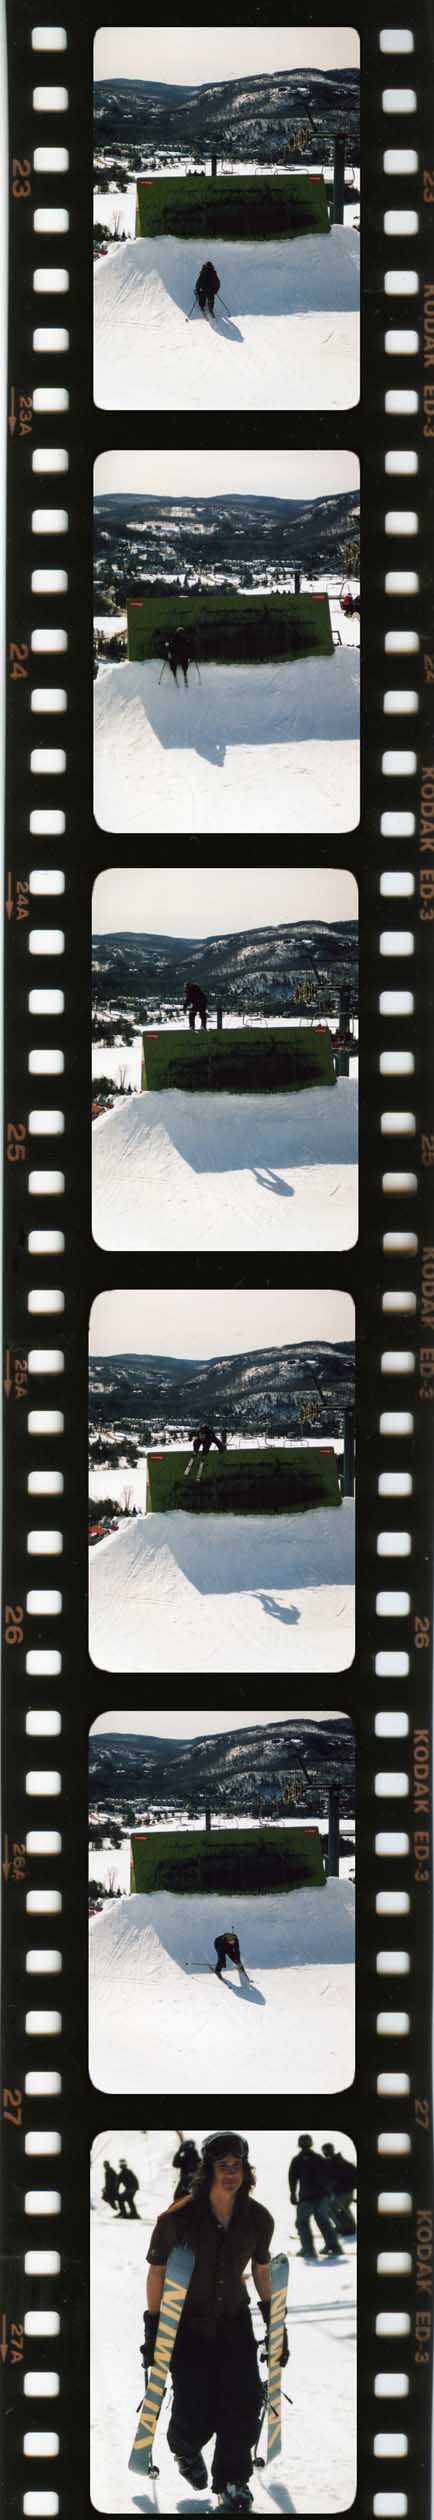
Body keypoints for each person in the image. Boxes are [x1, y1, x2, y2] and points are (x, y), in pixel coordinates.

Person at [143, 2130, 287, 2508]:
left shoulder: (257, 2219)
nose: (230, 2173)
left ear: (246, 2171)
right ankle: (185, 2448)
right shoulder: (179, 2218)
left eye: (236, 2166)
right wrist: (154, 2326)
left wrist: (276, 2323)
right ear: (208, 2170)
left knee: (242, 2403)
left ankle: (233, 2481)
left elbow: (260, 2269)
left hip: (235, 2324)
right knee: (196, 2410)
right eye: (222, 2166)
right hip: (187, 2327)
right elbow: (157, 2272)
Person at [288, 2136, 344, 2260]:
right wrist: (329, 2192)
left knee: (302, 2223)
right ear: (311, 2144)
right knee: (323, 2222)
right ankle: (334, 2247)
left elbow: (292, 2178)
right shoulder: (319, 2158)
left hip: (306, 2197)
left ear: (299, 2145)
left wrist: (292, 2193)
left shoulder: (297, 2160)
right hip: (321, 2196)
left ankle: (308, 2249)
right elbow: (329, 2175)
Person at [321, 2144, 357, 2237]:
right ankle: (345, 2227)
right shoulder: (333, 2162)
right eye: (324, 2151)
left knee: (338, 2209)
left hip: (344, 2192)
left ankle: (347, 2228)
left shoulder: (337, 2163)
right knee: (339, 2209)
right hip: (342, 2192)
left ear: (332, 2150)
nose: (325, 2153)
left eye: (327, 2151)